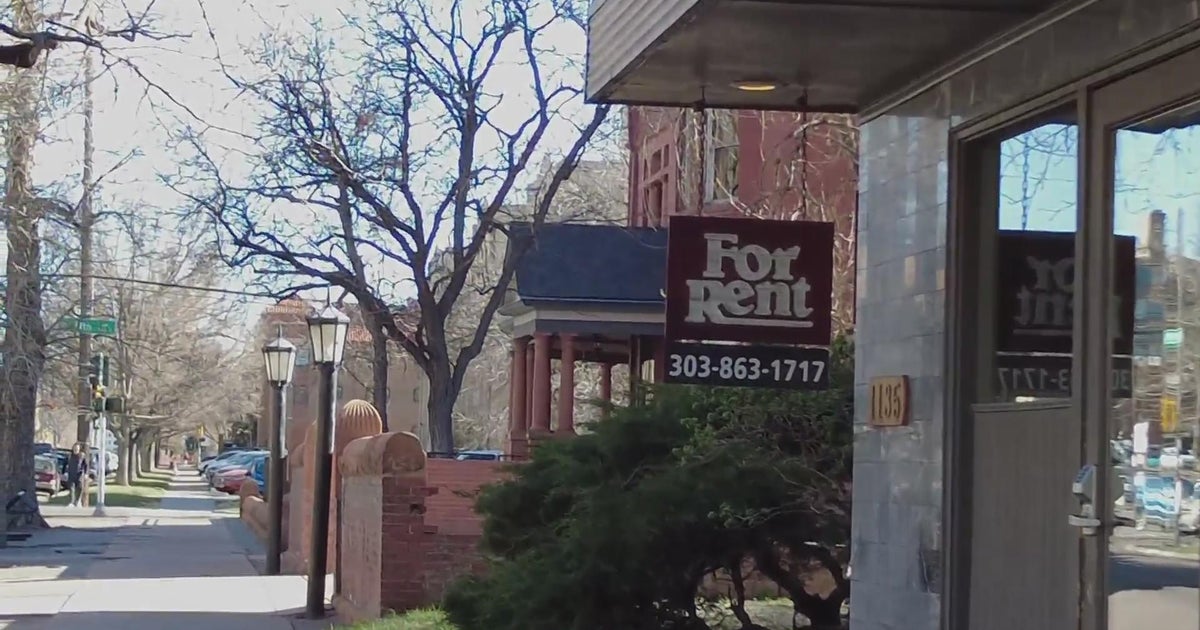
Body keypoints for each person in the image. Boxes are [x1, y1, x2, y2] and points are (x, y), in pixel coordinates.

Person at [66, 443, 89, 507]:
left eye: (77, 448)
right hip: (71, 474)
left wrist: (86, 473)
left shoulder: (82, 455)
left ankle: (77, 501)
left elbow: (86, 465)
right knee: (71, 488)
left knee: (80, 488)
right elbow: (65, 464)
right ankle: (72, 502)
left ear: (79, 449)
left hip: (79, 475)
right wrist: (64, 472)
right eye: (75, 448)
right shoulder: (70, 456)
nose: (76, 449)